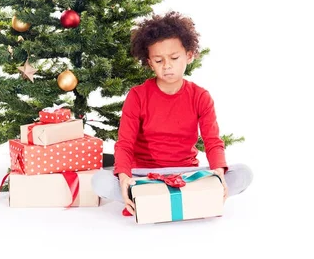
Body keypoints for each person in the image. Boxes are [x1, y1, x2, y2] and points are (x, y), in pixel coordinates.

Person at [91, 11, 253, 215]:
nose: (167, 66)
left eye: (174, 58)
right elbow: (125, 143)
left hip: (187, 174)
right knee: (99, 181)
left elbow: (213, 141)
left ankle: (156, 199)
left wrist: (218, 172)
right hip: (144, 174)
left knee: (243, 174)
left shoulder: (200, 96)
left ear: (189, 55)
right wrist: (124, 178)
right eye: (158, 61)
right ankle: (168, 196)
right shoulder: (137, 96)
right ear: (149, 62)